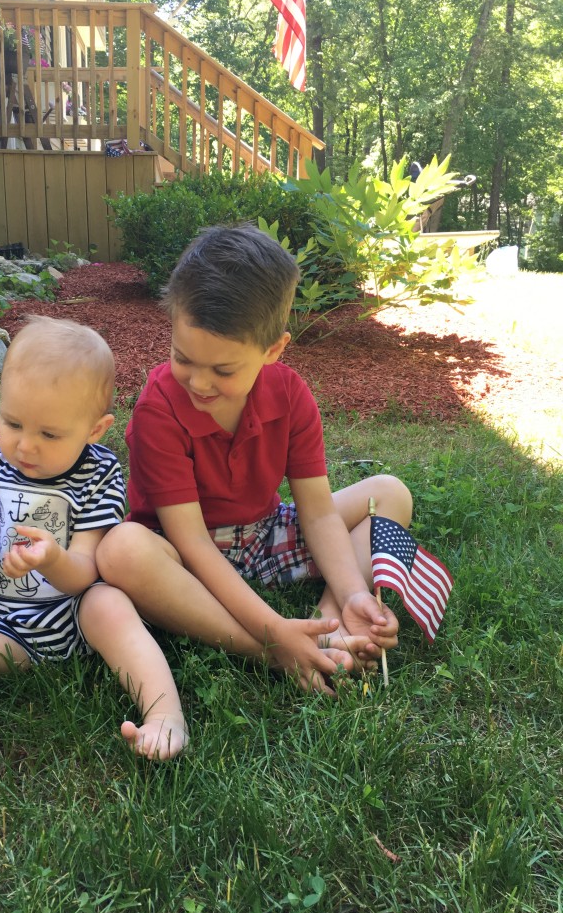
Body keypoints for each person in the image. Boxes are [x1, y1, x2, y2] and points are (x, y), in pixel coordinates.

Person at [96, 224, 413, 695]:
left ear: (273, 350)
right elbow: (194, 544)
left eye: (223, 369)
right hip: (182, 555)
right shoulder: (157, 409)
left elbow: (318, 511)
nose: (199, 383)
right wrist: (270, 631)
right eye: (183, 359)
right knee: (120, 550)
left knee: (389, 494)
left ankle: (331, 625)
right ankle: (274, 648)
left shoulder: (290, 394)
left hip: (265, 535)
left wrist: (351, 592)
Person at [0, 318, 187, 780]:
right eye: (13, 422)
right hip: (10, 625)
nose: (25, 445)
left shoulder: (99, 473)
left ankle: (165, 715)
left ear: (95, 429)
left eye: (49, 434)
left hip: (80, 614)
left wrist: (51, 558)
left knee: (110, 604)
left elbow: (87, 569)